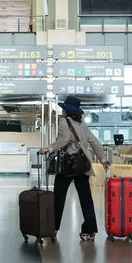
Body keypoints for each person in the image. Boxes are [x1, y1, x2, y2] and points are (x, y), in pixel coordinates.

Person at [38, 96, 107, 242]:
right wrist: (103, 160)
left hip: (68, 166)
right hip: (82, 166)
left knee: (58, 197)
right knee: (86, 198)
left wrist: (48, 148)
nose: (62, 111)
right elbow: (95, 142)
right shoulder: (82, 125)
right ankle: (90, 231)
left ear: (66, 110)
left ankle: (53, 229)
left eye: (63, 109)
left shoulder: (64, 121)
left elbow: (63, 140)